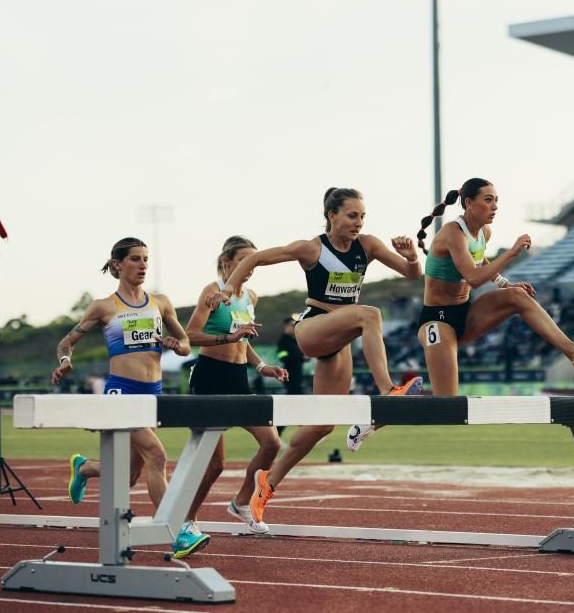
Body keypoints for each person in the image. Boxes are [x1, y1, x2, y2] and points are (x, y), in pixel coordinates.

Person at [206, 187, 424, 525]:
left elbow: (413, 275)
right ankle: (387, 394)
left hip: (340, 337)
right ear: (332, 216)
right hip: (312, 329)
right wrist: (228, 287)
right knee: (371, 314)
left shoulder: (368, 246)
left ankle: (262, 487)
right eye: (352, 216)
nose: (358, 222)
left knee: (322, 424)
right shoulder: (312, 248)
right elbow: (255, 258)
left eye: (362, 216)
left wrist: (411, 256)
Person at [346, 178, 574, 450]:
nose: (494, 207)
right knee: (448, 404)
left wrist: (507, 284)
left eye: (496, 201)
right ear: (469, 203)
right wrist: (514, 252)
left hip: (465, 312)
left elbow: (481, 262)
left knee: (518, 296)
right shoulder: (451, 234)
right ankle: (376, 418)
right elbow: (473, 277)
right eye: (488, 200)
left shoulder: (484, 233)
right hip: (437, 320)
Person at [50, 238, 204, 558]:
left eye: (146, 259)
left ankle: (85, 469)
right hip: (121, 393)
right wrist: (65, 361)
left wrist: (178, 346)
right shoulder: (104, 306)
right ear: (118, 264)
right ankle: (175, 533)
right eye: (135, 259)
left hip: (153, 394)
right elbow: (67, 342)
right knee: (157, 457)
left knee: (131, 475)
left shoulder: (160, 302)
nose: (143, 265)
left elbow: (188, 344)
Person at [183, 235, 288, 535]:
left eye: (254, 260)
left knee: (272, 443)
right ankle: (186, 520)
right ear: (226, 262)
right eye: (244, 260)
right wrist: (225, 339)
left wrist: (261, 365)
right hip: (210, 377)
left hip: (239, 378)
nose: (250, 266)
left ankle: (241, 501)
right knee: (214, 465)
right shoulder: (213, 291)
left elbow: (243, 338)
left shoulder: (250, 297)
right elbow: (190, 335)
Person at [275, 315, 308, 435]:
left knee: (295, 405)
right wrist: (300, 357)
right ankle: (306, 432)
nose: (294, 328)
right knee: (295, 404)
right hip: (290, 376)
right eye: (292, 325)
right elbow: (283, 356)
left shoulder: (294, 341)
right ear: (285, 327)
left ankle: (305, 432)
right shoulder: (283, 341)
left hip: (296, 375)